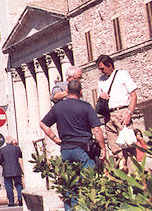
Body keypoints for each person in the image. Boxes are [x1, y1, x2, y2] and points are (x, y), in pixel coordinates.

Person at [40, 79, 106, 211]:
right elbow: (97, 130)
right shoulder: (86, 107)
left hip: (66, 149)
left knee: (69, 185)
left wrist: (54, 138)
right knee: (89, 183)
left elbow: (43, 124)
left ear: (67, 91)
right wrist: (103, 148)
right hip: (84, 150)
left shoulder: (57, 107)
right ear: (80, 92)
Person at [97, 54, 138, 172]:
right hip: (108, 115)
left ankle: (134, 175)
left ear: (109, 65)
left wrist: (129, 113)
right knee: (114, 146)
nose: (101, 71)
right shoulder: (101, 80)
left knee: (128, 144)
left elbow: (133, 96)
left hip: (122, 112)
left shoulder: (122, 75)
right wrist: (101, 96)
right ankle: (121, 171)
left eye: (102, 68)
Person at [0, 137, 23, 207]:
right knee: (18, 185)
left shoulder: (2, 150)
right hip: (16, 170)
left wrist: (4, 165)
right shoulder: (16, 148)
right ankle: (20, 198)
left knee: (9, 186)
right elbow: (21, 155)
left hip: (7, 171)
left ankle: (11, 201)